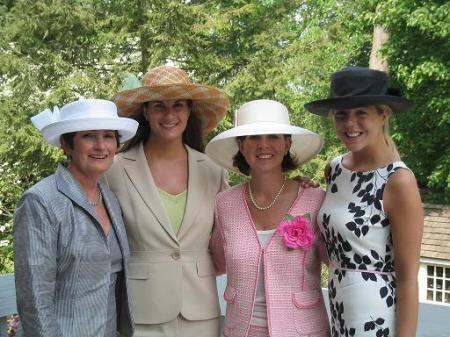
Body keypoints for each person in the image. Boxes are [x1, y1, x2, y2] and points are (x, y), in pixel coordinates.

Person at [103, 65, 230, 337]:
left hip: (201, 312)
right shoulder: (114, 170)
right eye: (159, 106)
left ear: (189, 111)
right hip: (142, 312)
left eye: (178, 105)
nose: (169, 114)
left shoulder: (213, 168)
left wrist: (292, 187)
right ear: (146, 112)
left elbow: (235, 221)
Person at [304, 66, 424, 337]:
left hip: (377, 315)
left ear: (383, 114)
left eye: (361, 113)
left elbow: (407, 280)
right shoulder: (334, 169)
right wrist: (304, 193)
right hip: (338, 307)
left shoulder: (398, 181)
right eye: (342, 114)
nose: (350, 124)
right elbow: (336, 243)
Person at [13, 99, 139, 337]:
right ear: (66, 143)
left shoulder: (110, 199)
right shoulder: (40, 201)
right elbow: (34, 300)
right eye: (89, 136)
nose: (101, 146)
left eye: (109, 136)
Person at [206, 99, 330, 337]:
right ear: (241, 145)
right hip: (240, 330)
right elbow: (217, 262)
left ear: (287, 143)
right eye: (253, 137)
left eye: (273, 136)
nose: (263, 145)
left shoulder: (315, 200)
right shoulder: (225, 203)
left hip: (303, 331)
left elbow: (337, 260)